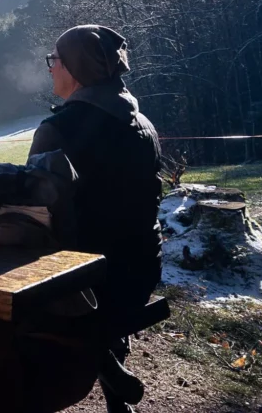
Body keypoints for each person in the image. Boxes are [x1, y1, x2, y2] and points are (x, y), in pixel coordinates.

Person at [29, 25, 163, 413]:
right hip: (140, 272)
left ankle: (83, 364)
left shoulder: (57, 131)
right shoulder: (144, 126)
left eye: (55, 60)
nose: (51, 68)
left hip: (85, 285)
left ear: (73, 69)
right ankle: (109, 367)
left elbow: (35, 217)